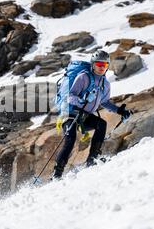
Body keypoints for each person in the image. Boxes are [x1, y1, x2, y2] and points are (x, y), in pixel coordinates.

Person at [53, 50, 132, 179]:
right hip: (70, 113)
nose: (101, 68)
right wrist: (81, 100)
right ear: (93, 64)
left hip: (84, 115)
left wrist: (119, 111)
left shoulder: (104, 84)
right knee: (70, 138)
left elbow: (104, 102)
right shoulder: (83, 77)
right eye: (98, 64)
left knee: (101, 124)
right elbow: (69, 96)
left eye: (105, 65)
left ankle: (92, 160)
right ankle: (57, 173)